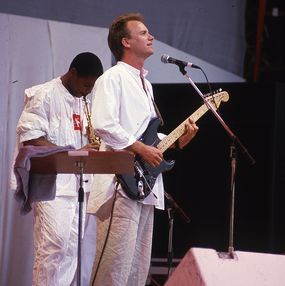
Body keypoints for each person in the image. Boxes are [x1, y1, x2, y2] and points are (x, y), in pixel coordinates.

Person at [87, 13, 199, 286]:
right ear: (125, 41)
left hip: (144, 186)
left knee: (136, 272)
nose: (151, 37)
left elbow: (145, 134)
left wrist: (176, 139)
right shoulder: (112, 78)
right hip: (120, 182)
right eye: (144, 33)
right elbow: (103, 123)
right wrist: (139, 147)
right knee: (113, 269)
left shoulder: (146, 84)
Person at [14, 52, 103, 285]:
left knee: (72, 250)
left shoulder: (83, 101)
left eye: (92, 86)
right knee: (54, 247)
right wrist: (77, 152)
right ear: (73, 73)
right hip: (51, 186)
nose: (88, 91)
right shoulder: (44, 95)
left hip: (78, 186)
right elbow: (32, 138)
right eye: (86, 84)